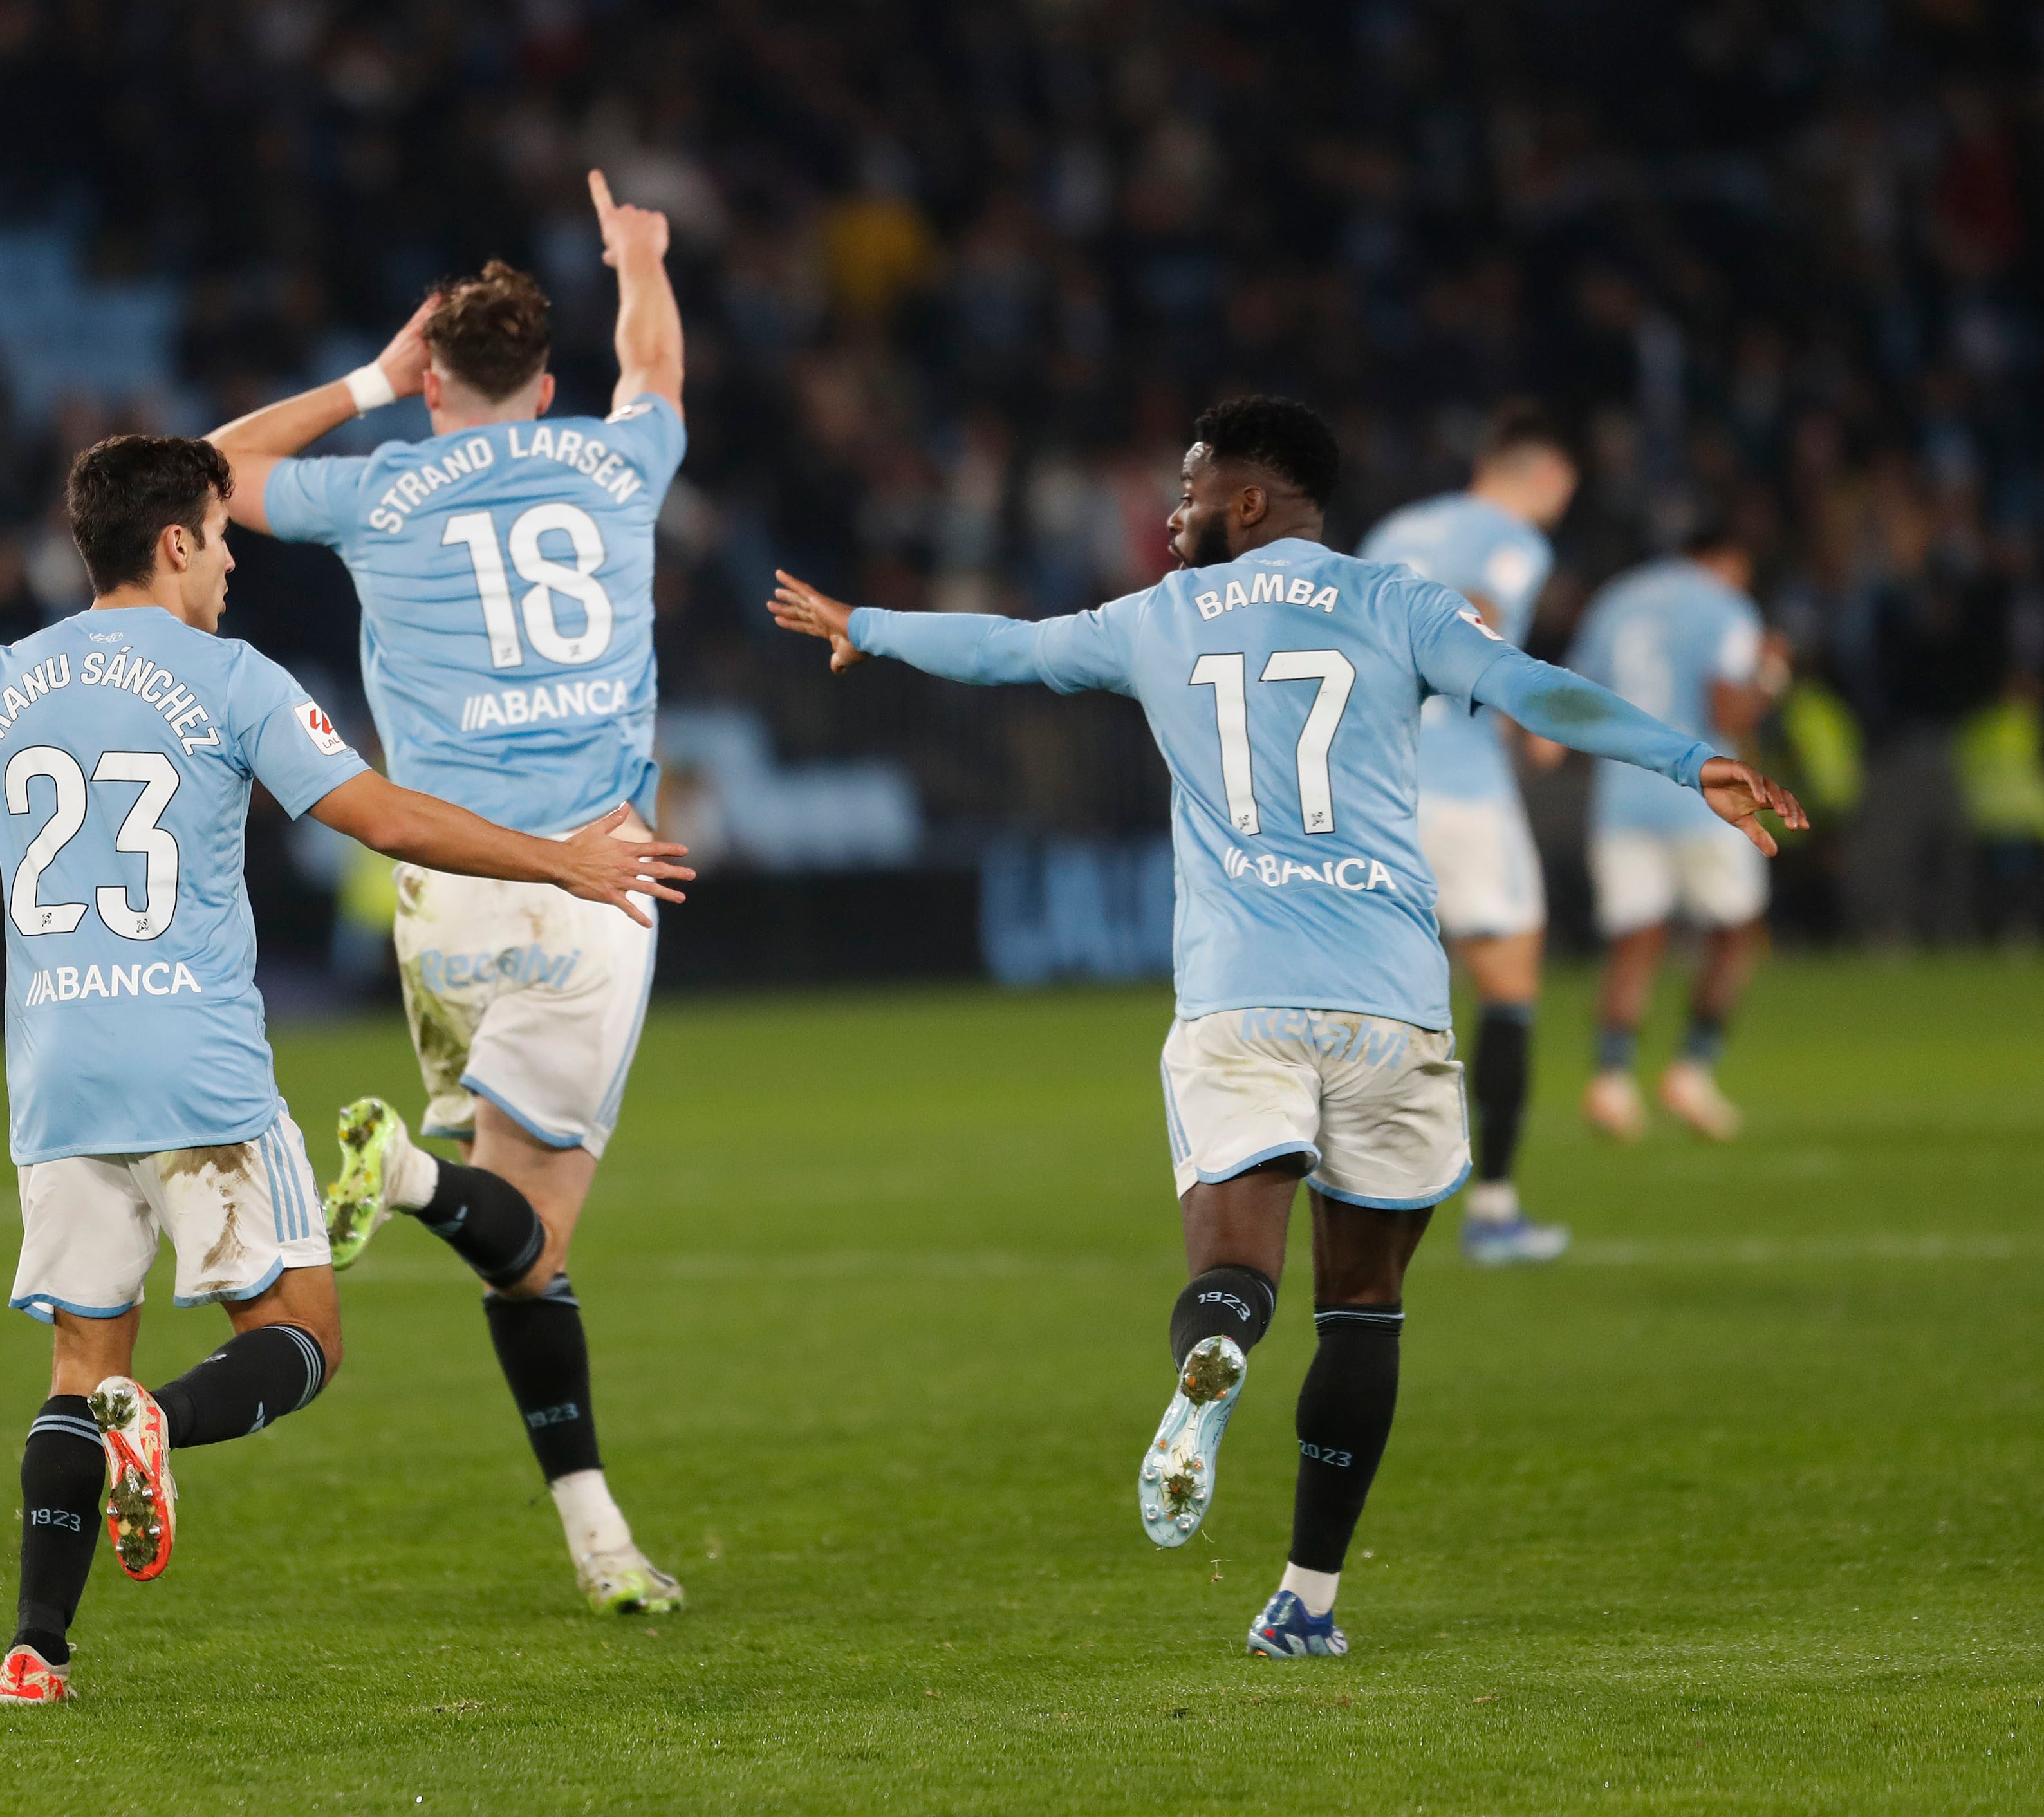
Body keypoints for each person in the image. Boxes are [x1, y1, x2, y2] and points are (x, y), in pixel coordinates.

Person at [768, 395, 1801, 1660]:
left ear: (1250, 501)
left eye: (1193, 485)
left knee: (1234, 1269)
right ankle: (1305, 1599)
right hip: (1387, 1003)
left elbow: (1011, 649)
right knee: (1362, 1309)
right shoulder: (1401, 602)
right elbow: (1537, 691)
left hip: (1239, 1000)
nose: (1174, 506)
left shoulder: (1154, 618)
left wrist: (865, 626)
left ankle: (1212, 1348)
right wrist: (1691, 759)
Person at [0, 434, 692, 1706]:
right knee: (304, 1336)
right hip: (200, 1075)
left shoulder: (1, 680)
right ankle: (160, 1420)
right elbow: (380, 818)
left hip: (56, 1079)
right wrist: (560, 860)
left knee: (76, 1365)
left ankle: (33, 1650)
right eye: (221, 539)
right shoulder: (229, 678)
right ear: (174, 542)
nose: (231, 563)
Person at [208, 171, 691, 1614]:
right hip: (591, 875)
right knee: (532, 1236)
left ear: (434, 387)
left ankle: (597, 1534)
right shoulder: (618, 463)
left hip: (442, 890)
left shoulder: (381, 486)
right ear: (547, 385)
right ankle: (404, 1176)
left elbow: (210, 466)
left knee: (519, 1259)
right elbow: (653, 364)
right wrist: (639, 259)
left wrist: (367, 373)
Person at [1358, 405, 1579, 1264]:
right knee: (1509, 976)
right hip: (1457, 783)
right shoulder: (1514, 539)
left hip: (1371, 782)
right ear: (1543, 476)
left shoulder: (1393, 528)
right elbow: (1479, 611)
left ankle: (1348, 1190)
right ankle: (1494, 1210)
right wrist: (1529, 713)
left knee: (1378, 996)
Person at [1569, 529, 1788, 1142]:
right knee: (1737, 929)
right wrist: (1771, 674)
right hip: (1703, 797)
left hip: (1622, 797)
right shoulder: (1724, 605)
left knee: (1634, 939)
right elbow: (1729, 714)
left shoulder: (1617, 599)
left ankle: (1611, 1081)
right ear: (1726, 559)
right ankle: (1692, 1068)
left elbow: (1579, 698)